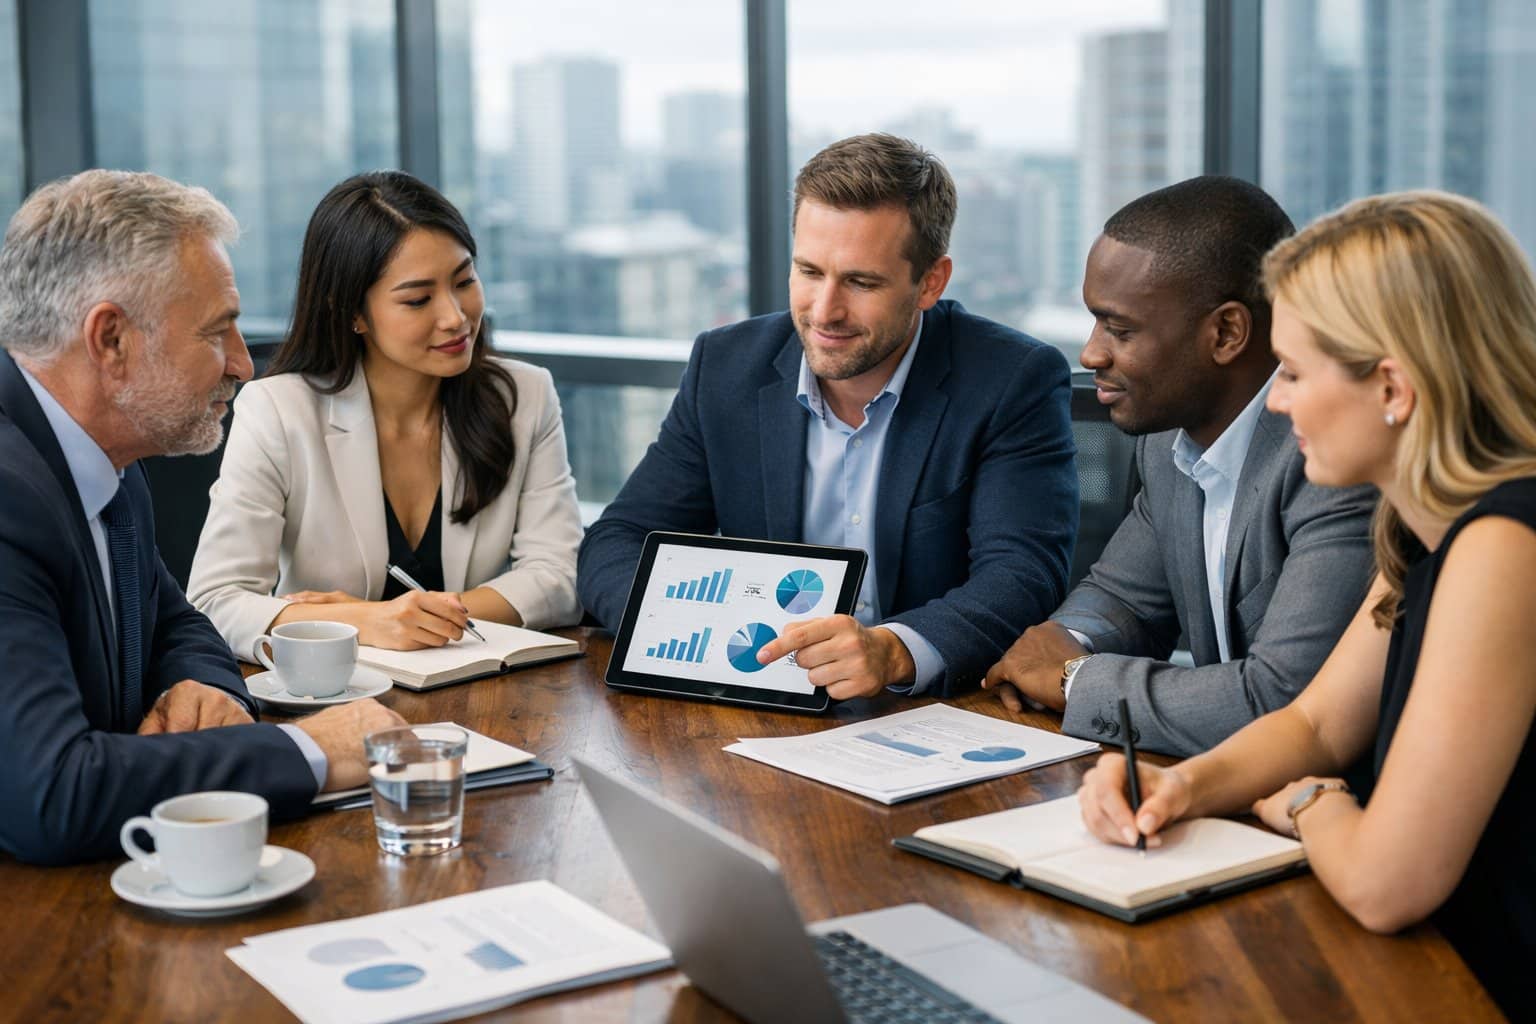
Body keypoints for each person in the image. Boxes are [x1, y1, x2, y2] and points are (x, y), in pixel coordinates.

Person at [1077, 190, 1536, 1017]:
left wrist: (1308, 800)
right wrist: (1185, 786)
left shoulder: (1507, 547)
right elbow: (1317, 724)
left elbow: (1384, 884)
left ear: (1392, 387)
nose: (1277, 404)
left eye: (1292, 372)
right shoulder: (1422, 526)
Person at [577, 133, 1077, 698]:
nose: (824, 310)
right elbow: (615, 541)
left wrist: (893, 650)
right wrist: (687, 635)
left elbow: (1022, 576)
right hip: (759, 696)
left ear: (930, 282)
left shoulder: (1011, 379)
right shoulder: (726, 367)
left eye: (861, 282)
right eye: (810, 272)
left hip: (936, 708)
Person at [0, 170, 403, 865]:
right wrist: (308, 749)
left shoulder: (103, 457)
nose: (244, 365)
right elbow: (53, 796)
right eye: (218, 331)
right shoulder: (11, 496)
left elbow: (180, 624)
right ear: (111, 340)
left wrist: (203, 688)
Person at [982, 177, 1376, 756]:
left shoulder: (1336, 461)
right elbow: (1126, 599)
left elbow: (1282, 697)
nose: (1091, 354)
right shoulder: (1167, 439)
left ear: (1226, 333)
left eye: (1119, 329)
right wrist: (1064, 640)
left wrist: (1075, 680)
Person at [188, 171, 583, 662]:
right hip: (333, 699)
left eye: (464, 280)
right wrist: (366, 621)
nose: (456, 317)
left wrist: (423, 618)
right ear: (352, 312)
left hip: (484, 691)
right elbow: (216, 602)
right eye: (418, 299)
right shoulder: (277, 412)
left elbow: (557, 575)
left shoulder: (524, 395)